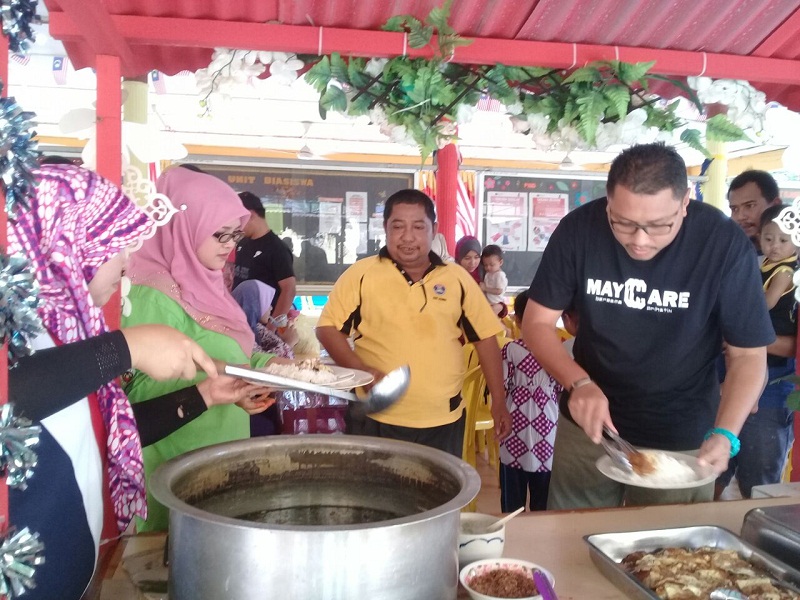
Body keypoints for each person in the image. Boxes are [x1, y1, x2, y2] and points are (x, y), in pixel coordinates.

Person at [7, 165, 271, 600]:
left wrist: (205, 395)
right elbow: (15, 395)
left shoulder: (67, 333)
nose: (130, 259)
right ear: (65, 245)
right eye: (116, 244)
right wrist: (124, 348)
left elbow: (111, 431)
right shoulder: (19, 337)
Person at [522, 143, 774, 510]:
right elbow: (537, 322)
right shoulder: (579, 229)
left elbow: (749, 354)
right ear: (608, 201)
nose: (639, 240)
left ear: (684, 202)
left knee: (668, 552)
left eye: (658, 226)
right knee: (571, 538)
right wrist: (578, 382)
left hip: (684, 435)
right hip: (590, 425)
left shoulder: (723, 243)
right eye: (622, 223)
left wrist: (726, 433)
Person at [123, 167, 279, 532]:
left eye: (235, 234)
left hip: (219, 448)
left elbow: (233, 352)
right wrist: (223, 376)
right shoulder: (146, 294)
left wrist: (275, 366)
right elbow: (133, 387)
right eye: (219, 233)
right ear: (183, 225)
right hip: (173, 459)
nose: (229, 244)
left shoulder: (207, 285)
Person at [316, 189, 512, 457]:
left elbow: (486, 339)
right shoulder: (361, 275)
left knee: (438, 497)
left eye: (418, 227)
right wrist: (361, 370)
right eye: (398, 226)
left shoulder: (457, 279)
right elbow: (328, 328)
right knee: (376, 497)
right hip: (376, 417)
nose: (408, 237)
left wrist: (499, 402)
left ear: (434, 230)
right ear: (385, 228)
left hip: (443, 420)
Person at [716, 204, 798, 498]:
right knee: (716, 467)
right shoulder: (758, 262)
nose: (775, 246)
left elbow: (766, 304)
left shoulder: (787, 272)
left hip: (774, 383)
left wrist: (737, 323)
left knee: (759, 477)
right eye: (769, 238)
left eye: (783, 240)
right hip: (733, 373)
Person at [499, 293, 569, 512]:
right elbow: (561, 388)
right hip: (547, 428)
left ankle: (513, 539)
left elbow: (501, 385)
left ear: (517, 320)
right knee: (544, 500)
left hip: (513, 427)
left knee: (512, 502)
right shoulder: (560, 350)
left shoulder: (510, 350)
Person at [727, 170, 797, 360]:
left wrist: (734, 336)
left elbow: (793, 347)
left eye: (749, 206)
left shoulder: (791, 267)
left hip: (775, 373)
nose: (740, 216)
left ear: (775, 204)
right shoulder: (733, 254)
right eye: (734, 209)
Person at [233, 190, 297, 323]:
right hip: (241, 321)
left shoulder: (277, 248)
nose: (237, 226)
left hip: (262, 323)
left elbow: (288, 289)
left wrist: (273, 325)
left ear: (250, 215)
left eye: (239, 219)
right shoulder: (242, 243)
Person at [480, 244, 508, 316]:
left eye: (492, 265)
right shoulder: (488, 273)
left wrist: (485, 288)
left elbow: (499, 291)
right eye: (485, 265)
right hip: (488, 302)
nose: (488, 267)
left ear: (500, 262)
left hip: (496, 303)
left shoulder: (499, 275)